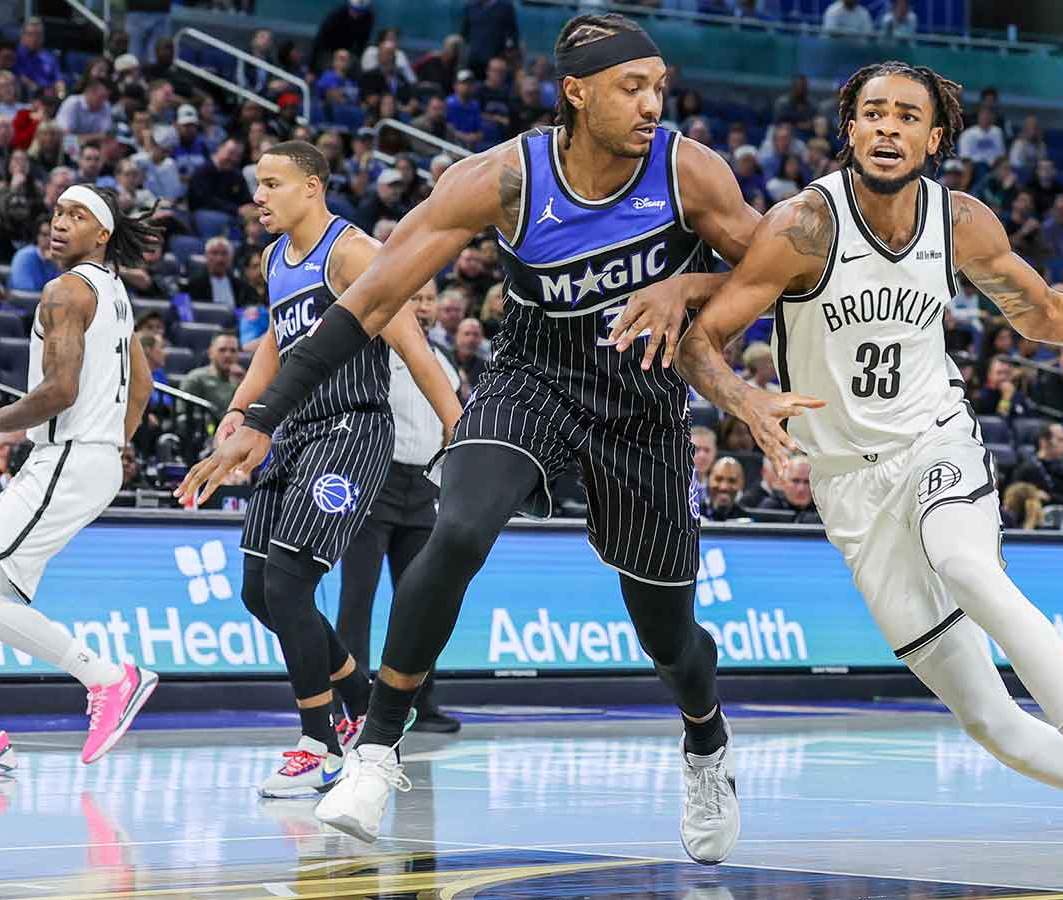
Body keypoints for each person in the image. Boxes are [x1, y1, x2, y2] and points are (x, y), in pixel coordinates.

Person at [179, 15, 763, 858]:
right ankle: (377, 749)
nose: (651, 104)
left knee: (668, 634)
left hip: (641, 401)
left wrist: (690, 286)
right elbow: (371, 302)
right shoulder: (501, 178)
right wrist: (260, 419)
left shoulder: (689, 171)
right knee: (456, 528)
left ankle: (706, 741)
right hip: (532, 375)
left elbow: (780, 268)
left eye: (658, 87)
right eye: (632, 88)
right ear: (576, 91)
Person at [675, 60, 1063, 899]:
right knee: (986, 718)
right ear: (849, 128)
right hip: (848, 487)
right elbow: (705, 336)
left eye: (906, 117)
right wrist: (745, 398)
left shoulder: (960, 222)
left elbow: (1046, 314)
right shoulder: (805, 223)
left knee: (965, 564)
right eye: (872, 114)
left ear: (935, 136)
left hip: (935, 440)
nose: (887, 128)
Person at [205, 142, 460, 798]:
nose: (258, 196)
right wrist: (239, 409)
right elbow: (275, 340)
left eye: (272, 183)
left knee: (290, 583)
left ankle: (317, 741)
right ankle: (362, 705)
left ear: (312, 187)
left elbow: (414, 345)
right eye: (255, 185)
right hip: (295, 429)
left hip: (352, 426)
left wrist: (457, 428)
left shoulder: (354, 253)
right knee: (259, 589)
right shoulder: (271, 258)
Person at [0, 185, 160, 776]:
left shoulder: (65, 290)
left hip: (71, 457)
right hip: (86, 459)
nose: (59, 224)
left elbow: (61, 391)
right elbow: (145, 386)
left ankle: (107, 678)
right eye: (57, 213)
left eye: (77, 216)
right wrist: (113, 443)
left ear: (101, 234)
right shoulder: (115, 293)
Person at [337, 280, 464, 735]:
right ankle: (349, 705)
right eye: (413, 297)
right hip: (376, 482)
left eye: (429, 298)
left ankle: (421, 703)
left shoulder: (444, 365)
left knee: (423, 604)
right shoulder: (373, 352)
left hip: (424, 487)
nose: (423, 306)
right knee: (358, 601)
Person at [178, 332, 242, 420]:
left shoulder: (242, 380)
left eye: (233, 351)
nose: (228, 355)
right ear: (210, 353)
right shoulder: (195, 379)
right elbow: (183, 416)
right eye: (222, 350)